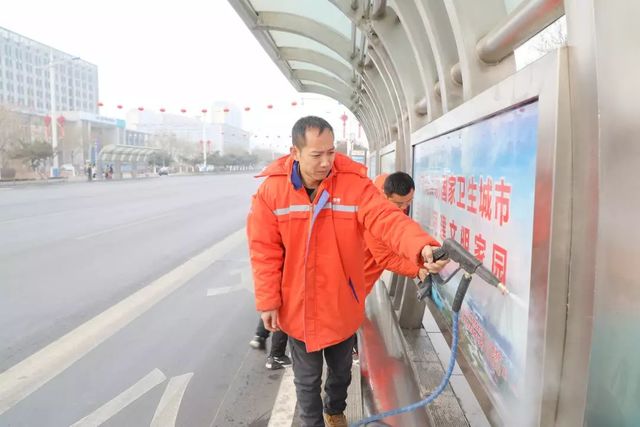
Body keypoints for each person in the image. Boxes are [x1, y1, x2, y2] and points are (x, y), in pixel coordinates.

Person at [247, 116, 447, 427]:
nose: (326, 162)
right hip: (298, 308)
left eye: (331, 152)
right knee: (306, 380)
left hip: (342, 304)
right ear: (295, 152)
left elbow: (387, 219)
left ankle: (335, 410)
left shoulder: (353, 185)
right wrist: (268, 301)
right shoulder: (272, 192)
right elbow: (264, 251)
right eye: (317, 154)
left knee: (341, 373)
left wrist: (421, 246)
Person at [363, 172, 429, 294]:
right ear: (386, 195)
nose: (404, 207)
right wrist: (417, 270)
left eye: (409, 201)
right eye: (399, 204)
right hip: (360, 271)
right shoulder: (375, 216)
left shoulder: (391, 182)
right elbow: (386, 257)